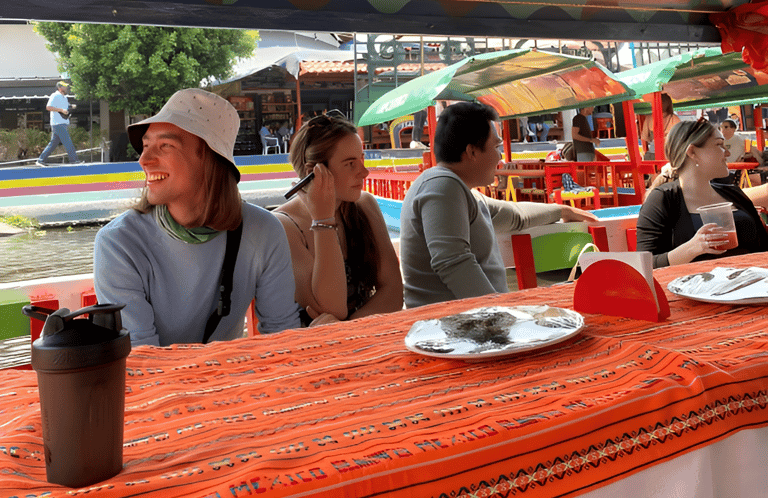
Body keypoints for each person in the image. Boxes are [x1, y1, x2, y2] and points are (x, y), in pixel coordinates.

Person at [94, 88, 300, 346]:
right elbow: (142, 358)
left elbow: (283, 336)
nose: (144, 160)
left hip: (223, 379)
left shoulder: (263, 230)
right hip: (158, 383)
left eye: (165, 145)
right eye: (145, 146)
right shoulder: (119, 243)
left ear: (209, 158)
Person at [399, 102, 598, 308]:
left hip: (472, 323)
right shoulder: (442, 186)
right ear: (472, 152)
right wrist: (502, 315)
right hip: (451, 329)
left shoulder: (462, 192)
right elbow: (453, 263)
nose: (500, 156)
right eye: (496, 147)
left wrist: (562, 210)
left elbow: (515, 216)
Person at [274, 112, 403, 325]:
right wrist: (323, 219)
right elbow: (333, 308)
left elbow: (394, 294)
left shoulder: (364, 205)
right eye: (350, 163)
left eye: (361, 159)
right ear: (315, 171)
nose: (364, 172)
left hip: (361, 341)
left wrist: (346, 331)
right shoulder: (285, 226)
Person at [636, 118, 768, 268]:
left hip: (751, 283)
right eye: (719, 145)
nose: (727, 152)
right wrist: (692, 248)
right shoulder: (663, 199)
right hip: (695, 287)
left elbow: (764, 247)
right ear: (692, 152)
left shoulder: (733, 193)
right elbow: (644, 265)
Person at [37, 81, 81, 166]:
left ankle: (41, 160)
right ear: (60, 88)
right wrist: (61, 110)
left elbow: (65, 107)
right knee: (67, 141)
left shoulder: (64, 97)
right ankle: (74, 160)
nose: (66, 88)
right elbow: (48, 107)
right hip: (58, 123)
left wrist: (71, 106)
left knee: (53, 143)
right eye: (65, 87)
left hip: (63, 122)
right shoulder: (55, 95)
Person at [640, 93, 680, 160]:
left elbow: (645, 137)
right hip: (671, 154)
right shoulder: (675, 119)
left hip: (653, 154)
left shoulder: (649, 118)